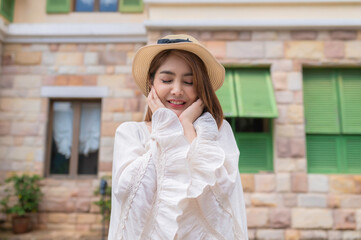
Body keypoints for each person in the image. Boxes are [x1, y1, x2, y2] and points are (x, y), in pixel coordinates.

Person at [108, 34, 248, 240]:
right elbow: (132, 197)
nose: (177, 90)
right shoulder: (131, 133)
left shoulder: (218, 132)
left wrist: (186, 127)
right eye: (166, 80)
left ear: (201, 87)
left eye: (189, 81)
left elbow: (220, 200)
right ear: (151, 83)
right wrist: (166, 128)